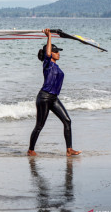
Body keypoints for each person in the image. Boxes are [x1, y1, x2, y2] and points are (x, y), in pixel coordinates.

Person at [27, 28, 81, 157]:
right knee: (40, 125)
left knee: (67, 121)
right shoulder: (47, 64)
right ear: (51, 53)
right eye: (56, 52)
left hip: (54, 98)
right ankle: (30, 150)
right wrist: (49, 36)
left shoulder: (56, 66)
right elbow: (48, 53)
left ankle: (69, 149)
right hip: (44, 98)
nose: (59, 54)